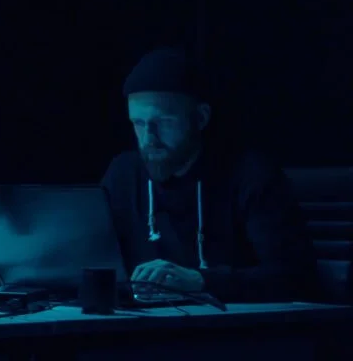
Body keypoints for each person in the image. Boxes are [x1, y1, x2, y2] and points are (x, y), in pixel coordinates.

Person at [100, 47, 317, 303]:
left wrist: (201, 280)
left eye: (164, 122)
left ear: (201, 118)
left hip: (239, 330)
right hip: (148, 323)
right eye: (138, 123)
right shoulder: (123, 174)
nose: (149, 138)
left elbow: (295, 277)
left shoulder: (251, 175)